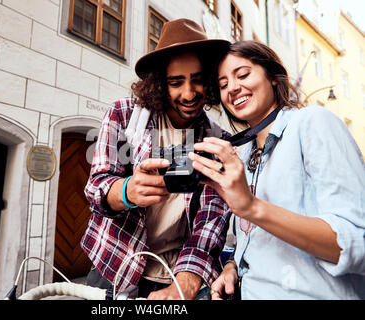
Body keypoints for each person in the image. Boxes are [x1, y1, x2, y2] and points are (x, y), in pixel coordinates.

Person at [189, 40, 365, 299]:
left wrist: (251, 207)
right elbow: (253, 242)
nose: (233, 88)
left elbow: (357, 243)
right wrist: (232, 268)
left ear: (272, 76)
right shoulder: (243, 152)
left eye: (243, 74)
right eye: (223, 84)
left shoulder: (313, 122)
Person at [81, 19, 232, 300]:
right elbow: (96, 188)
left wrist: (186, 282)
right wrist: (127, 191)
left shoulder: (215, 138)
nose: (188, 94)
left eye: (197, 80)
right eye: (176, 82)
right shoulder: (124, 115)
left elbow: (211, 220)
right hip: (115, 264)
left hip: (181, 271)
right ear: (160, 83)